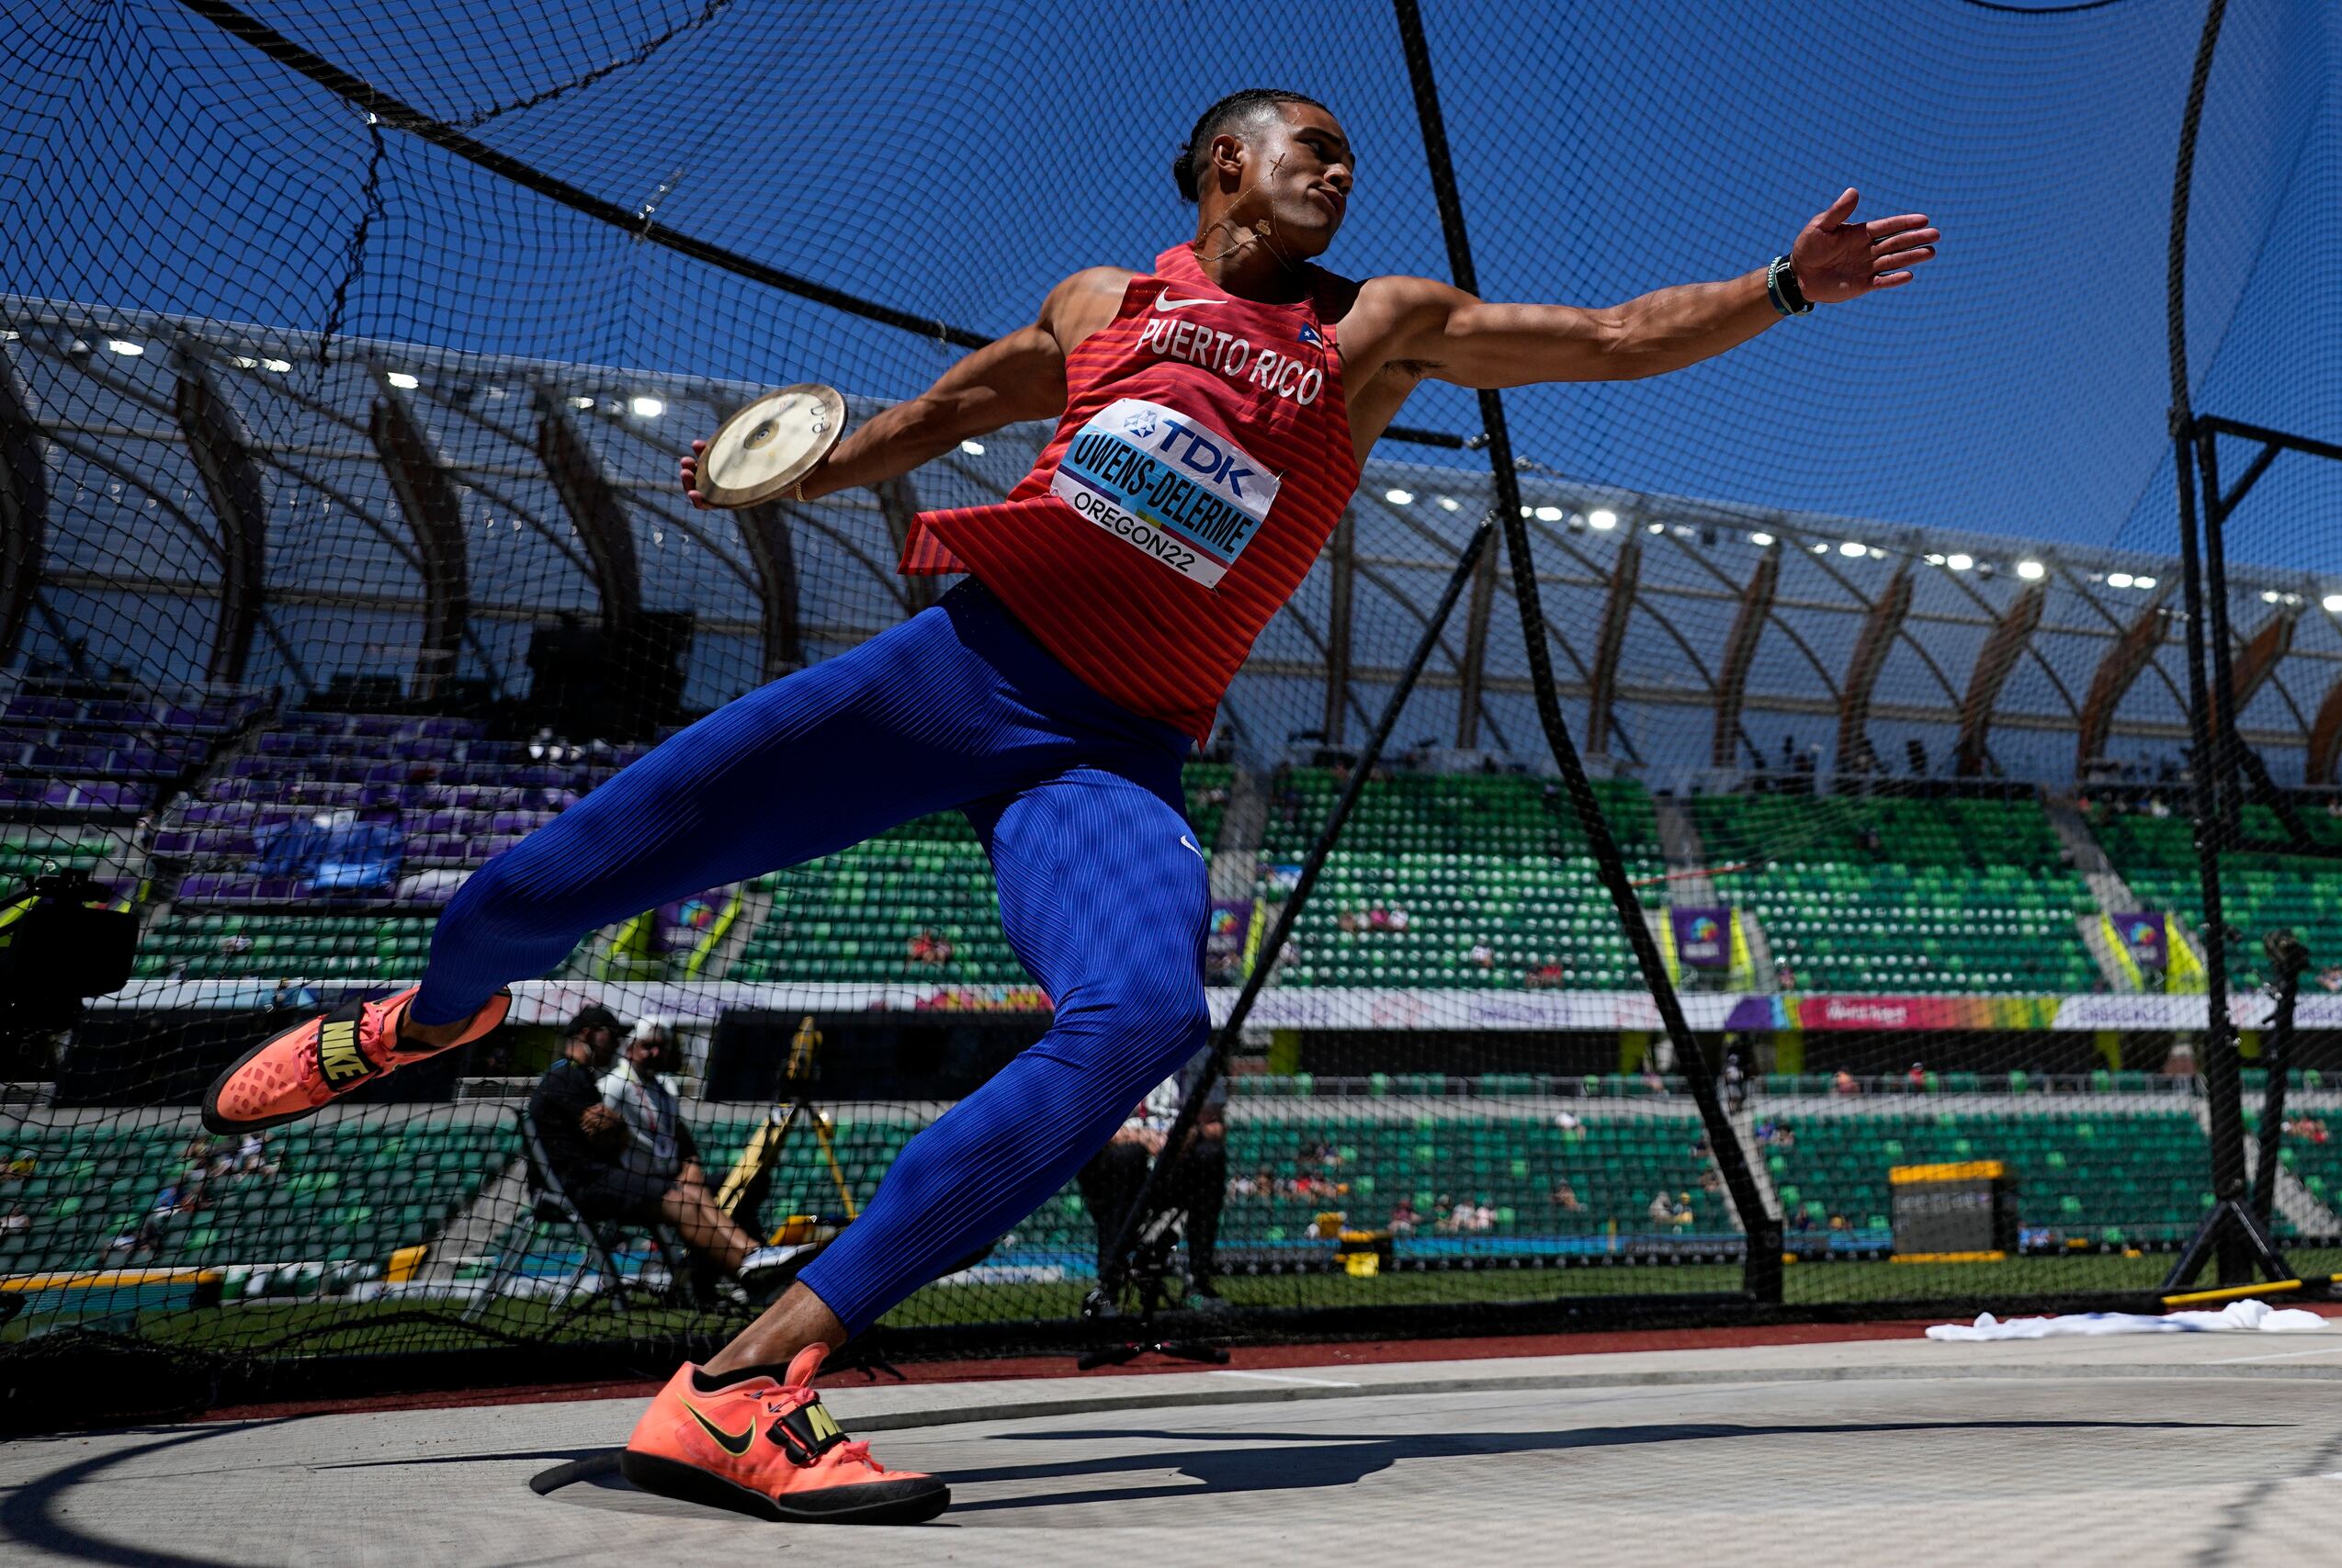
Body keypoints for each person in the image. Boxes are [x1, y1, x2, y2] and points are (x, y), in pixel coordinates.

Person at [198, 87, 1936, 1523]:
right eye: (1305, 144)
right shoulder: (1104, 302)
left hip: (1115, 750)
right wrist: (806, 464)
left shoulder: (1374, 329)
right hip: (957, 678)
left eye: (1348, 156)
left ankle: (740, 1386)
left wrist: (1782, 286)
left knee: (1144, 1016)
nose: (1336, 170)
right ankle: (421, 1024)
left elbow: (1613, 340)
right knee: (530, 889)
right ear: (1219, 168)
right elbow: (946, 412)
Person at [527, 1006, 803, 1283]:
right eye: (612, 1036)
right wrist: (615, 1129)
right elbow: (605, 1135)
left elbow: (617, 1130)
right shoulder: (571, 1078)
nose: (616, 1044)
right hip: (582, 1185)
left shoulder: (588, 1078)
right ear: (588, 1034)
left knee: (714, 1190)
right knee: (680, 1197)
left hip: (600, 1179)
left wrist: (690, 1162)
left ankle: (753, 1254)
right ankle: (749, 1276)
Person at [1073, 1044, 1229, 1305]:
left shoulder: (1200, 1054)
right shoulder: (1113, 1051)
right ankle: (1108, 1285)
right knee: (1127, 1156)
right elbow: (1092, 1123)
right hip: (1123, 1161)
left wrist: (1191, 1133)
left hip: (1178, 1160)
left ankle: (1198, 1283)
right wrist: (1140, 1137)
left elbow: (1214, 1124)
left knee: (1210, 1154)